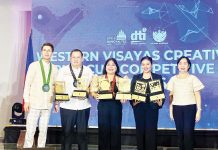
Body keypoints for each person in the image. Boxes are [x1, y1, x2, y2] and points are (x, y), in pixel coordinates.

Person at [55, 49, 93, 150]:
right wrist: (56, 102)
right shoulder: (63, 70)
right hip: (67, 106)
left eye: (78, 57)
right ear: (70, 58)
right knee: (66, 135)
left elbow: (92, 87)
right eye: (73, 57)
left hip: (83, 106)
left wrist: (89, 92)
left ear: (82, 58)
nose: (76, 59)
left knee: (82, 135)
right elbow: (58, 87)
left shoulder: (88, 71)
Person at [23, 42, 58, 148]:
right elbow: (27, 84)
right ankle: (28, 147)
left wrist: (56, 102)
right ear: (41, 52)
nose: (47, 52)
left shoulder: (55, 68)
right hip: (34, 103)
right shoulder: (34, 65)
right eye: (45, 50)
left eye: (49, 50)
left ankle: (41, 147)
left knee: (43, 130)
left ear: (52, 53)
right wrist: (26, 101)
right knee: (30, 130)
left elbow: (55, 87)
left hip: (47, 104)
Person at [167, 56, 204, 150]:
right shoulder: (173, 79)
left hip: (190, 108)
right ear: (177, 66)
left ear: (188, 66)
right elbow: (171, 95)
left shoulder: (193, 78)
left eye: (185, 63)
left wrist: (198, 110)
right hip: (177, 108)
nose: (182, 65)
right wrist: (170, 110)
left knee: (188, 133)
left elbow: (197, 95)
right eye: (180, 63)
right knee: (180, 133)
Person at [130, 56, 165, 150]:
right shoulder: (136, 77)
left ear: (151, 65)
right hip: (139, 108)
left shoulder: (157, 77)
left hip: (152, 108)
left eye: (148, 64)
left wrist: (160, 102)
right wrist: (133, 102)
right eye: (143, 64)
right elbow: (131, 93)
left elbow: (162, 93)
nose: (145, 66)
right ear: (141, 66)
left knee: (151, 131)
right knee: (140, 131)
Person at [91, 58, 126, 150]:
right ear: (105, 67)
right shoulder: (99, 78)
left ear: (116, 67)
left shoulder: (121, 79)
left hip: (116, 107)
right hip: (103, 106)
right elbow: (93, 91)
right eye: (108, 65)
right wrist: (95, 95)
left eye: (113, 65)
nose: (111, 67)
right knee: (103, 130)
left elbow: (124, 93)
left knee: (116, 131)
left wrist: (124, 98)